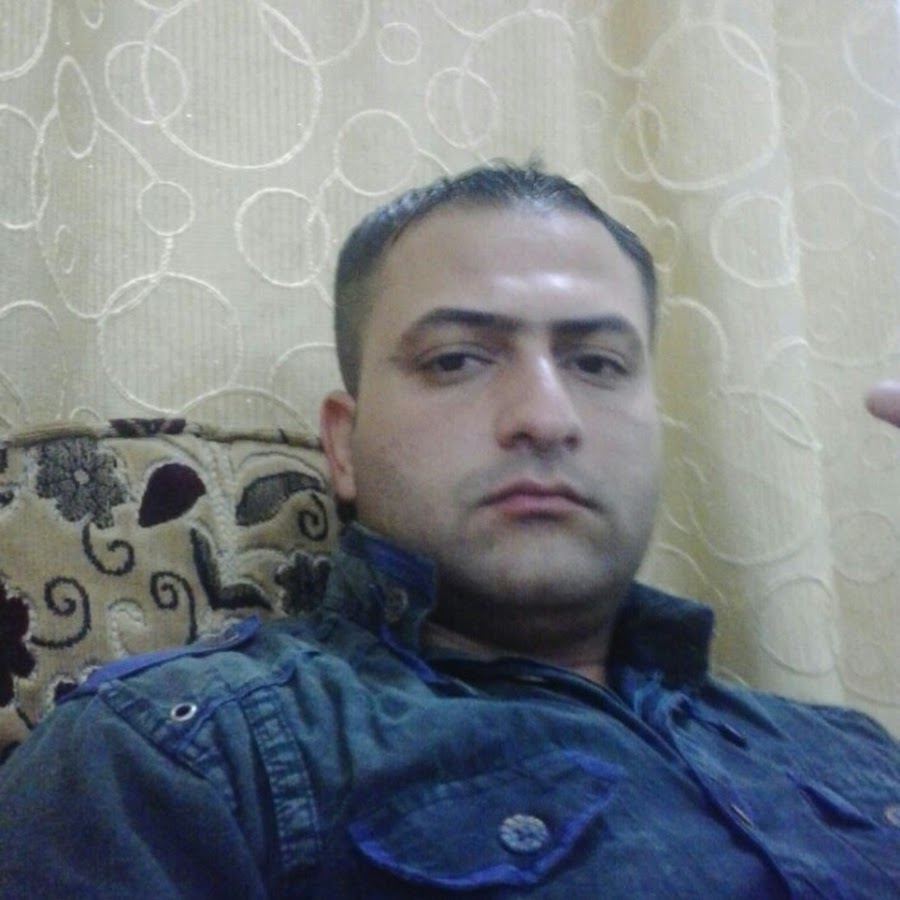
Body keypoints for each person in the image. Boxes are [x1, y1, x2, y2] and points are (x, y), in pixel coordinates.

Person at [1, 163, 899, 898]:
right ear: (343, 447)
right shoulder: (172, 756)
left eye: (597, 363)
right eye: (457, 359)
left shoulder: (851, 751)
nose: (546, 417)